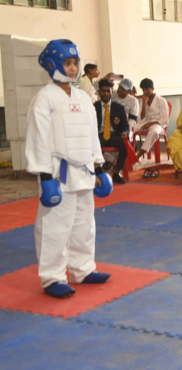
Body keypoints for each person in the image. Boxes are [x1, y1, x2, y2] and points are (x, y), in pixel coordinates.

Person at [26, 39, 112, 299]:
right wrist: (44, 176)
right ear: (52, 65)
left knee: (85, 225)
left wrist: (99, 169)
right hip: (58, 172)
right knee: (55, 226)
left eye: (75, 63)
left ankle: (82, 269)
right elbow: (38, 138)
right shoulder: (44, 99)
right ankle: (52, 277)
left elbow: (92, 136)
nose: (73, 68)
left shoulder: (84, 98)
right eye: (68, 63)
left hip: (84, 170)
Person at [94, 79, 129, 184]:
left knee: (126, 144)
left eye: (108, 91)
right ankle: (98, 173)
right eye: (103, 91)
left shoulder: (119, 108)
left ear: (112, 92)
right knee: (91, 145)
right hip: (98, 135)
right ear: (99, 92)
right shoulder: (92, 107)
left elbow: (126, 126)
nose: (105, 93)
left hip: (114, 135)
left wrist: (125, 133)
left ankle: (116, 172)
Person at [135, 78, 170, 159]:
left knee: (154, 131)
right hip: (145, 123)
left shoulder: (161, 100)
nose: (144, 92)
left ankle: (138, 155)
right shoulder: (143, 100)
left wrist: (151, 123)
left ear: (152, 89)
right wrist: (143, 103)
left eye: (147, 89)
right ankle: (126, 154)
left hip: (157, 124)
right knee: (130, 129)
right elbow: (141, 119)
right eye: (143, 89)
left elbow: (164, 119)